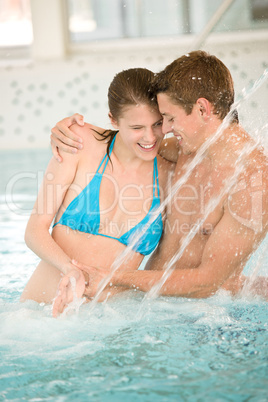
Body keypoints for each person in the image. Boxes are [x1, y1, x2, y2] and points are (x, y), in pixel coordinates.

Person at [51, 51, 268, 310]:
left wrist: (114, 277)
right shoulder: (186, 150)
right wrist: (71, 133)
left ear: (202, 109)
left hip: (201, 318)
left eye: (171, 118)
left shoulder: (253, 181)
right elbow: (131, 140)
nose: (164, 129)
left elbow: (207, 282)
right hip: (152, 307)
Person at [21, 68, 172, 316]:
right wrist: (70, 270)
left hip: (110, 325)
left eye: (157, 124)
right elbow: (34, 230)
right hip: (39, 316)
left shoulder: (170, 171)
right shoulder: (78, 142)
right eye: (137, 127)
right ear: (113, 119)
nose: (150, 137)